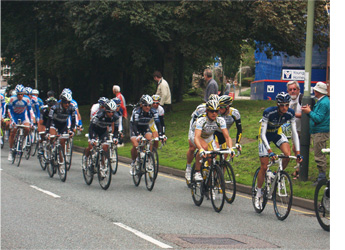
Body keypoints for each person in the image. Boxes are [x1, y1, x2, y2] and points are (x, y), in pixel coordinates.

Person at [255, 92, 303, 209]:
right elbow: (262, 133)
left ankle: (276, 175)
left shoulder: (290, 113)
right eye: (282, 105)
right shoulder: (269, 112)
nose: (285, 108)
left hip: (277, 134)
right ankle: (259, 193)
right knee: (264, 166)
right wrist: (270, 151)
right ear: (277, 104)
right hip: (265, 136)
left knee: (287, 155)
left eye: (287, 105)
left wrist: (298, 153)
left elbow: (295, 133)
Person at [191, 99, 234, 181]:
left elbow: (227, 137)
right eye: (211, 111)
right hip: (197, 136)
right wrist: (200, 149)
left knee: (213, 155)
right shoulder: (201, 120)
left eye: (216, 111)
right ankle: (197, 172)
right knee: (203, 147)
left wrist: (231, 148)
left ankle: (208, 175)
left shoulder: (220, 120)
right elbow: (196, 137)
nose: (214, 113)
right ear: (207, 111)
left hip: (209, 137)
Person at [301, 82, 330, 185]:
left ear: (317, 91)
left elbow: (318, 118)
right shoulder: (322, 101)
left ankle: (322, 178)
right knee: (319, 154)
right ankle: (321, 177)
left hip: (320, 132)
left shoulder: (323, 103)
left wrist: (309, 112)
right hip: (319, 131)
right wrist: (309, 112)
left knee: (319, 155)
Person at [129, 94, 163, 175]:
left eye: (149, 105)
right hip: (135, 127)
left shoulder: (153, 111)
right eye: (145, 105)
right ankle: (133, 162)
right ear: (141, 105)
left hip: (145, 126)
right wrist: (138, 135)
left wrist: (161, 135)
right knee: (135, 145)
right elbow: (134, 125)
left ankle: (149, 159)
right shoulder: (136, 111)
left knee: (149, 140)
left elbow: (158, 123)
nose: (148, 107)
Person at [83, 99, 118, 166]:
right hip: (94, 129)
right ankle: (86, 157)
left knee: (105, 147)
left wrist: (115, 137)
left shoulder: (115, 116)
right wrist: (92, 138)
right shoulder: (99, 115)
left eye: (112, 112)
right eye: (109, 112)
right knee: (91, 146)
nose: (111, 114)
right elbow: (91, 127)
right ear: (105, 110)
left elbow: (116, 128)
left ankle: (102, 166)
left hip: (103, 130)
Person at [7, 84, 33, 161]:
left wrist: (31, 122)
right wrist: (12, 120)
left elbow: (29, 111)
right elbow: (9, 110)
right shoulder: (12, 99)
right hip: (14, 116)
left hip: (23, 116)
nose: (20, 96)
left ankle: (23, 138)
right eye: (18, 94)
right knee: (13, 132)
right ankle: (11, 150)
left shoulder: (27, 99)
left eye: (21, 94)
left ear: (23, 94)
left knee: (27, 129)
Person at [286, 80, 303, 179]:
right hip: (294, 129)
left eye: (294, 89)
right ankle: (298, 168)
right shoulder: (288, 100)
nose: (292, 91)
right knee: (295, 148)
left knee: (299, 149)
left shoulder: (302, 99)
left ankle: (299, 171)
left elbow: (305, 114)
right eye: (290, 89)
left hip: (302, 129)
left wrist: (291, 114)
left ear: (298, 90)